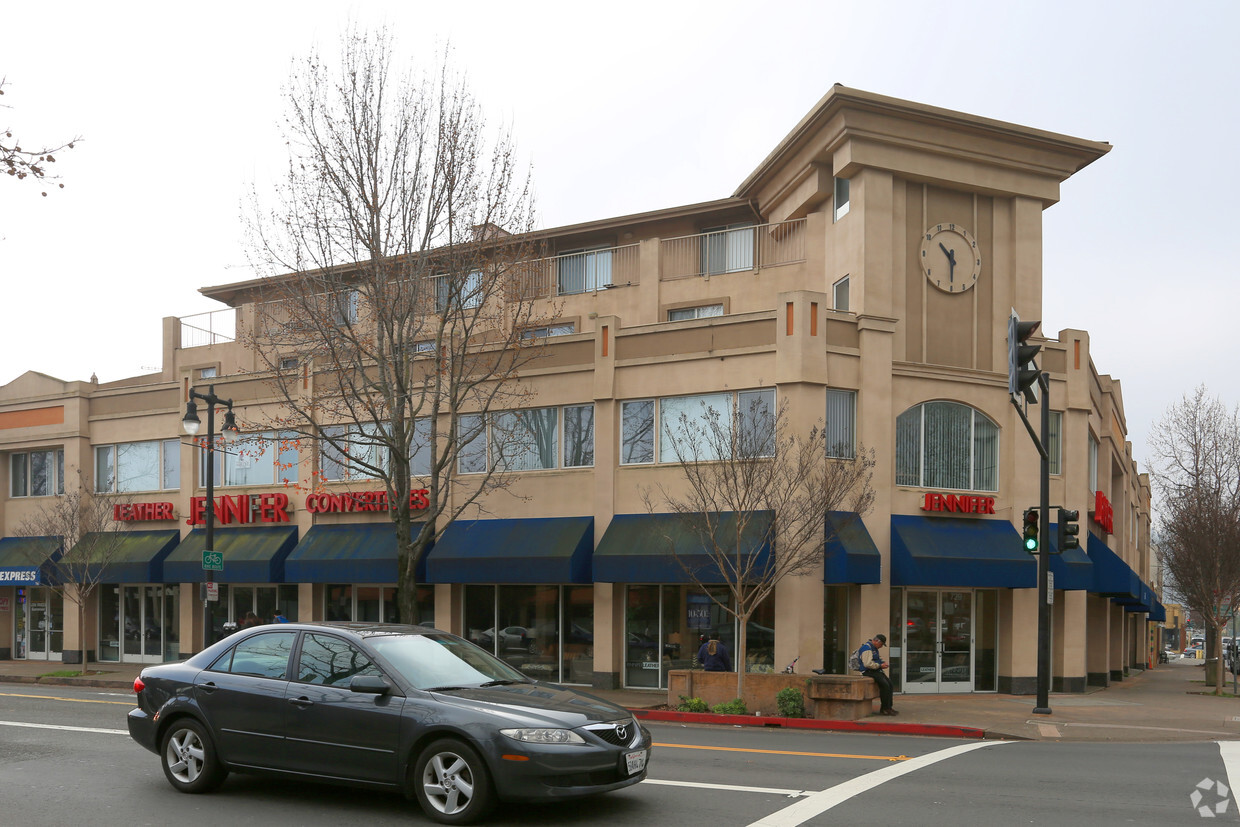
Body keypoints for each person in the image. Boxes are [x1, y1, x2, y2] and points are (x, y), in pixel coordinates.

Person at [858, 633, 897, 715]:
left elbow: (876, 659)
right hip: (868, 671)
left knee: (890, 684)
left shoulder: (874, 648)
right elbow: (867, 664)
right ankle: (885, 709)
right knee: (885, 685)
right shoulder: (867, 648)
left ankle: (889, 707)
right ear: (876, 641)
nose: (881, 646)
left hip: (876, 670)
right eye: (881, 644)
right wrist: (880, 665)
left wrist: (882, 663)